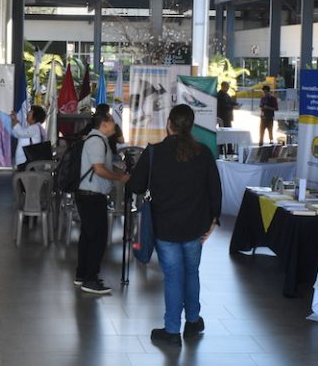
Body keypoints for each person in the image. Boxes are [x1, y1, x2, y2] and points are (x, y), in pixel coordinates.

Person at [127, 105, 221, 345]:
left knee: (173, 276)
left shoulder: (154, 152)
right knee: (191, 272)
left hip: (165, 226)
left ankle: (171, 331)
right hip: (195, 227)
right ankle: (193, 321)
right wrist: (213, 219)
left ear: (169, 124)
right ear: (191, 125)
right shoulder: (203, 153)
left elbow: (136, 186)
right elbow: (215, 189)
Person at [74, 111, 129, 295]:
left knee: (88, 236)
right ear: (103, 124)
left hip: (89, 194)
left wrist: (117, 172)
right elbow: (98, 169)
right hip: (92, 195)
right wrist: (118, 178)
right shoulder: (97, 141)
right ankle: (90, 279)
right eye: (112, 121)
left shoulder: (98, 140)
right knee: (97, 238)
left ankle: (82, 275)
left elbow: (100, 166)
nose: (115, 125)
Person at [10, 105, 47, 171]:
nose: (28, 113)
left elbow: (21, 133)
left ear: (35, 116)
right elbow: (17, 134)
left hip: (26, 162)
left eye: (30, 112)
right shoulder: (31, 127)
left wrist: (15, 120)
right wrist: (14, 121)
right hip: (25, 161)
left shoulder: (35, 127)